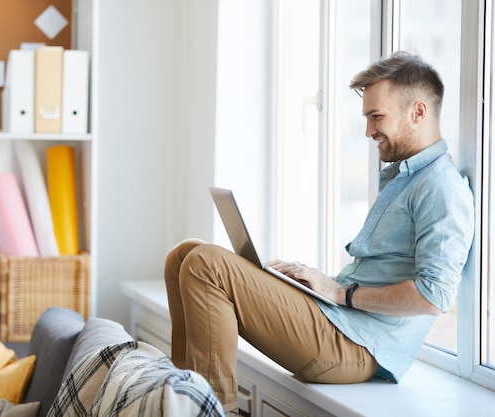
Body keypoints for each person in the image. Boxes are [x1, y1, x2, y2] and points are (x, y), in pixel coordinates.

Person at [163, 51, 475, 414]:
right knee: (183, 255)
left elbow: (433, 297)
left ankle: (211, 412)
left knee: (206, 264)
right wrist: (315, 281)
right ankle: (186, 403)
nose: (369, 131)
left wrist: (341, 292)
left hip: (357, 346)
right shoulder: (406, 177)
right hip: (338, 321)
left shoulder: (441, 187)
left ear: (417, 112)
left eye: (377, 117)